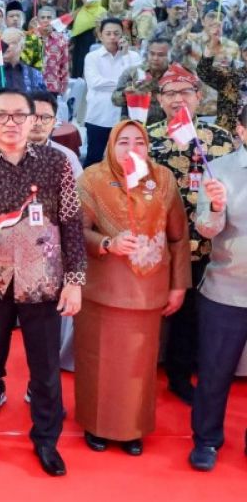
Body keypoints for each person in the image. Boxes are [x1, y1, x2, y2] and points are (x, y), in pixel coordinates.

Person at [0, 88, 85, 476]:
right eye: (1, 115)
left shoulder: (57, 164)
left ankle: (46, 440)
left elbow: (72, 225)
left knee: (45, 367)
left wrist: (75, 280)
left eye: (18, 115)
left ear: (32, 120)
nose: (10, 123)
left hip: (42, 280)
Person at [75, 121, 190, 455]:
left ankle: (132, 429)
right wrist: (107, 243)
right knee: (97, 360)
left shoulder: (163, 179)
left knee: (138, 366)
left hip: (147, 291)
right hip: (102, 289)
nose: (131, 148)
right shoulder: (92, 179)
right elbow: (75, 232)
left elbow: (178, 236)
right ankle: (95, 425)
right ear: (111, 145)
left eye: (139, 141)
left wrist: (178, 286)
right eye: (123, 141)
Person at [147, 63, 234, 405]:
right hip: (156, 243)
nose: (177, 99)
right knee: (152, 309)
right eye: (169, 93)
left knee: (192, 314)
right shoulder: (145, 138)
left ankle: (180, 375)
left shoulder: (220, 139)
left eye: (185, 92)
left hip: (205, 243)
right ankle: (139, 372)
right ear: (159, 99)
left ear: (199, 96)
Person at [189, 106, 247, 471]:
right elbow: (206, 229)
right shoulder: (219, 171)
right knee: (214, 372)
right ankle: (207, 440)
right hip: (226, 290)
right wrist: (214, 205)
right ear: (241, 130)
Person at [82, 17, 141, 166]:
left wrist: (126, 55)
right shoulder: (92, 57)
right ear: (100, 35)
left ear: (123, 35)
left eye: (116, 33)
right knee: (94, 157)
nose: (112, 37)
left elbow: (137, 81)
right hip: (99, 115)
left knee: (125, 160)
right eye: (108, 33)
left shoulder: (133, 56)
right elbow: (95, 83)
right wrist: (123, 84)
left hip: (126, 116)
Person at [0, 28, 47, 144]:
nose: (6, 46)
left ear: (22, 47)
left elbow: (43, 105)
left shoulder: (34, 75)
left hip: (25, 134)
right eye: (3, 42)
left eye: (11, 42)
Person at [111, 38, 172, 127]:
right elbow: (115, 100)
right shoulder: (132, 73)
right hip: (135, 128)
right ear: (147, 53)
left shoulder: (176, 76)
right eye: (152, 54)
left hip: (166, 128)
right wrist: (125, 94)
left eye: (161, 55)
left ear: (169, 56)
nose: (155, 58)